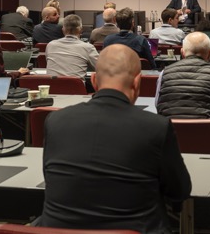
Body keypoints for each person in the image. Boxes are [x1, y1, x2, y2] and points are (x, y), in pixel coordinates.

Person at [38, 44, 191, 233]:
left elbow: (50, 179)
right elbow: (180, 191)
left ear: (94, 80)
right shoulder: (156, 127)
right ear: (137, 82)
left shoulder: (55, 120)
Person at [155, 32, 210, 118]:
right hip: (209, 126)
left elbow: (158, 106)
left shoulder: (164, 73)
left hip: (171, 126)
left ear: (182, 52)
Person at [46, 14, 98, 81]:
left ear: (63, 30)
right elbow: (101, 69)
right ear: (80, 30)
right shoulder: (88, 48)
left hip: (51, 87)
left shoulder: (50, 45)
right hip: (76, 87)